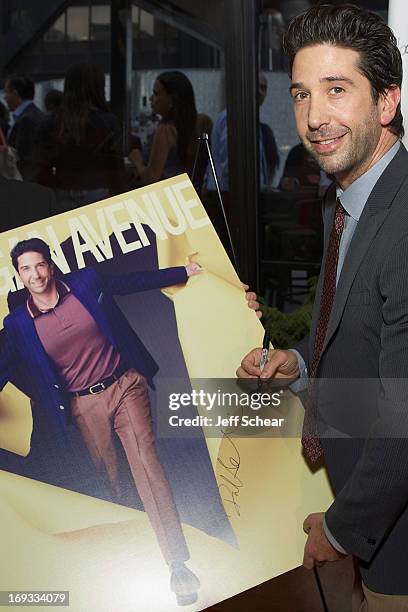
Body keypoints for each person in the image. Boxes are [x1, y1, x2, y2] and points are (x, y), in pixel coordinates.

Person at [238, 4, 408, 610]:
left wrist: (340, 531)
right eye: (301, 94)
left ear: (386, 102)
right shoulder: (351, 201)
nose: (314, 118)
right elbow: (358, 334)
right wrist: (299, 363)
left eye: (337, 90)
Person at [0, 237, 201, 605]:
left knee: (147, 464)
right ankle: (133, 541)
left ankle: (177, 565)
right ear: (18, 275)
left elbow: (129, 282)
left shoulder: (85, 284)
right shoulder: (17, 325)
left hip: (125, 386)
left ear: (51, 264)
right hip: (83, 406)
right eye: (26, 269)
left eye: (40, 264)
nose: (35, 274)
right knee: (112, 477)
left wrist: (181, 271)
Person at [36, 62, 127, 213]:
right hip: (97, 192)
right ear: (98, 87)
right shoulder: (109, 121)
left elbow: (41, 163)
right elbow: (115, 167)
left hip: (59, 192)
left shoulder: (50, 121)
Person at [129, 71, 212, 191]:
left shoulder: (165, 131)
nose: (152, 99)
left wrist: (137, 162)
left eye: (156, 94)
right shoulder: (201, 124)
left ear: (172, 99)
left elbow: (152, 178)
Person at [205, 72, 279, 193]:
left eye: (263, 88)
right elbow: (231, 166)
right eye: (256, 86)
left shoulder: (248, 117)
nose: (260, 92)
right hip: (230, 197)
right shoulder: (234, 116)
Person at [4, 75, 44, 181]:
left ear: (15, 93)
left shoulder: (27, 119)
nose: (5, 97)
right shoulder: (33, 114)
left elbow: (24, 157)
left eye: (7, 92)